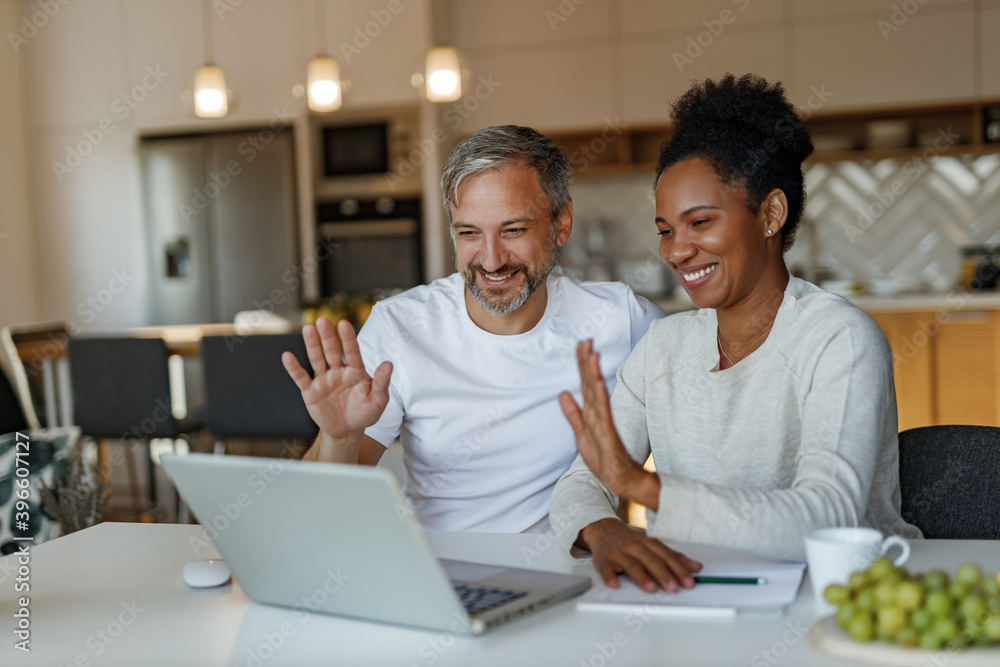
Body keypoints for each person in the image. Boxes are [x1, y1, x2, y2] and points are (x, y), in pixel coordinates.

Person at [550, 74, 921, 594]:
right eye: (665, 230)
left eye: (699, 223)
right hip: (701, 594)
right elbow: (579, 483)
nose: (676, 251)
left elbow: (827, 516)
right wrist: (604, 530)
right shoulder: (663, 348)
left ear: (770, 213)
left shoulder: (838, 338)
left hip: (842, 602)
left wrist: (643, 489)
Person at [282, 125, 664, 533]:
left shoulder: (621, 319)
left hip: (573, 567)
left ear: (561, 222)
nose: (492, 260)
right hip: (443, 575)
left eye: (513, 230)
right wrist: (339, 437)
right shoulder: (399, 327)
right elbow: (321, 516)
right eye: (469, 233)